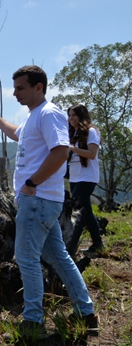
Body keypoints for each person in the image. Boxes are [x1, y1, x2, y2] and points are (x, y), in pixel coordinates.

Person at [0, 66, 97, 333]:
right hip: (40, 200)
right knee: (58, 257)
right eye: (14, 88)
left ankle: (33, 321)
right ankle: (86, 314)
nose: (15, 93)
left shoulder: (49, 113)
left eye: (20, 88)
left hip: (38, 199)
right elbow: (17, 133)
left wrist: (31, 183)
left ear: (39, 87)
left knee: (26, 258)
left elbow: (60, 152)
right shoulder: (34, 117)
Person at [66, 104, 104, 255]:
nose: (71, 118)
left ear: (81, 116)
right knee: (86, 211)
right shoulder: (73, 134)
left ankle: (70, 247)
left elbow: (92, 154)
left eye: (74, 115)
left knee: (75, 210)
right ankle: (97, 244)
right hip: (75, 177)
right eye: (69, 115)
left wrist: (73, 149)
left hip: (87, 178)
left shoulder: (92, 132)